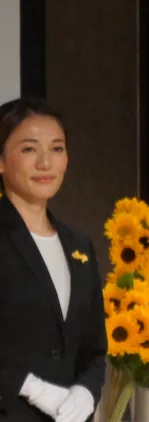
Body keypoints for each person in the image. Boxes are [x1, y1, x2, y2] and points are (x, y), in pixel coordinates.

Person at [0, 98, 107, 422]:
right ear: (1, 161)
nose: (45, 162)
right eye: (29, 149)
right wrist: (30, 387)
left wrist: (86, 391)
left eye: (57, 149)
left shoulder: (79, 245)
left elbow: (94, 350)